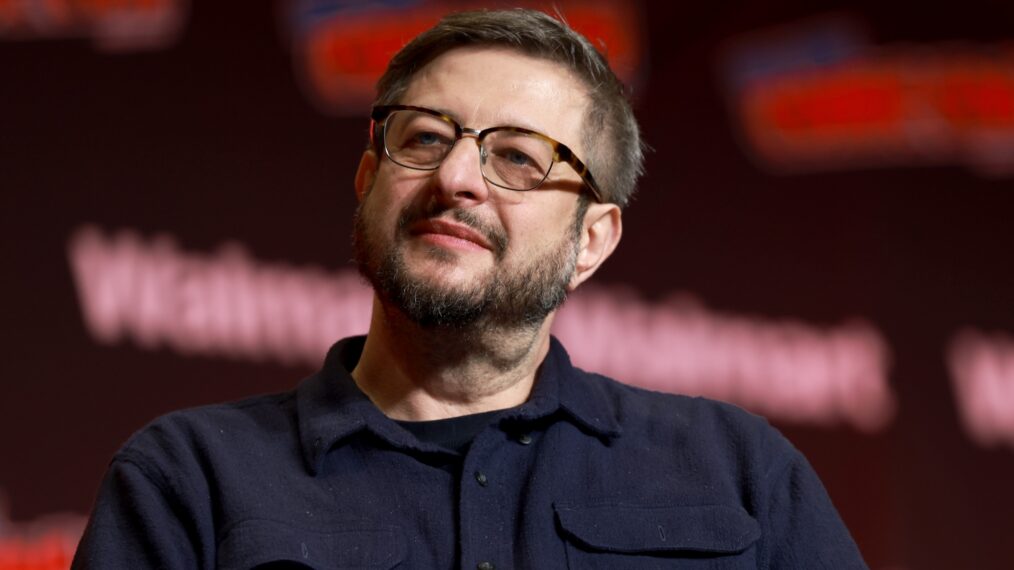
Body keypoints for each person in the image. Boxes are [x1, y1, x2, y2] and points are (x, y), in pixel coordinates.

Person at [73, 8, 867, 569]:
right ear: (368, 177)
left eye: (520, 158)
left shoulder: (738, 474)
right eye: (424, 138)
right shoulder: (191, 479)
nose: (456, 178)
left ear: (590, 241)